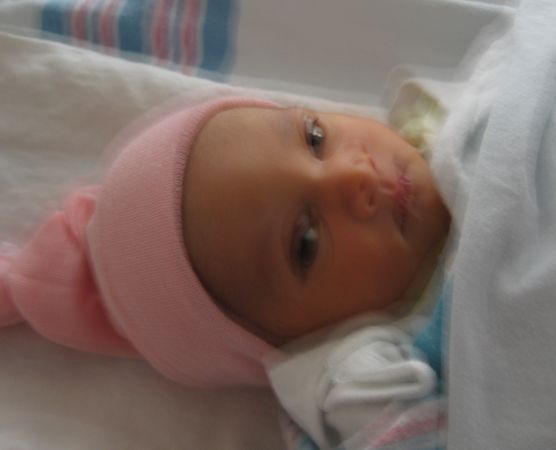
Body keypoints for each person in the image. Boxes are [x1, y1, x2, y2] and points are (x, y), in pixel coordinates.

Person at [0, 94, 450, 389]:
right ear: (300, 348)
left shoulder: (447, 122)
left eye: (315, 138)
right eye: (307, 243)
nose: (354, 175)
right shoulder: (378, 390)